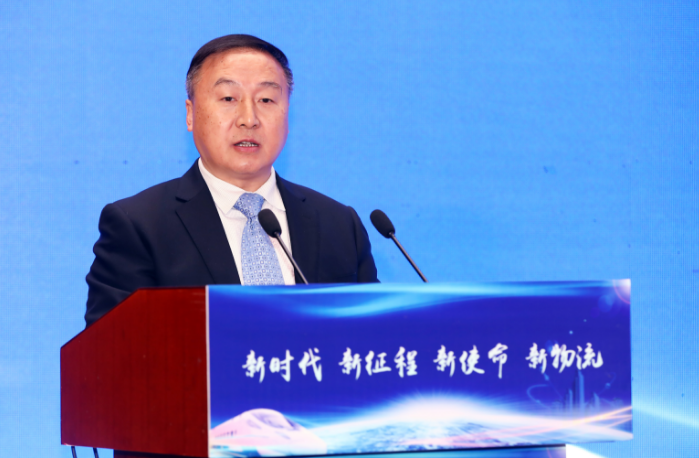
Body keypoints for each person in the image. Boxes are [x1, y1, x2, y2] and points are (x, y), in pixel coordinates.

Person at [84, 34, 378, 326]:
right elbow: (112, 347)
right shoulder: (139, 226)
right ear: (190, 114)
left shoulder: (340, 225)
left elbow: (376, 336)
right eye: (228, 98)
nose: (249, 118)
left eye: (266, 99)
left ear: (287, 114)